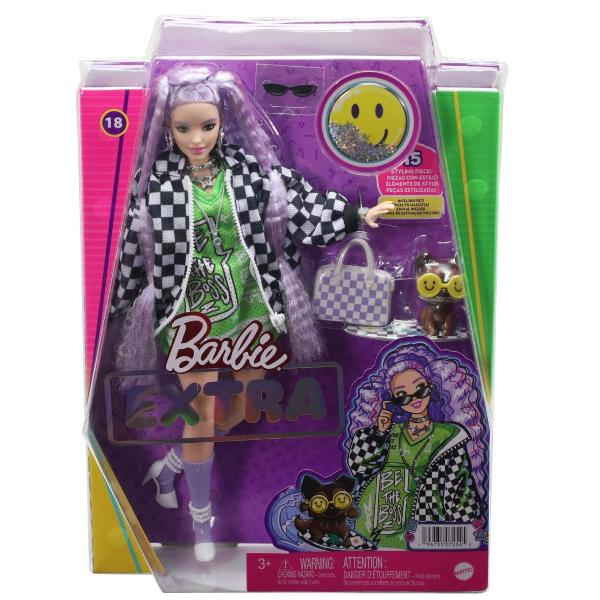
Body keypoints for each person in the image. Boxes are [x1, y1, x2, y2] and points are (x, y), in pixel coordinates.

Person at [110, 65, 393, 561]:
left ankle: (170, 468)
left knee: (243, 406)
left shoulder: (249, 171)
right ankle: (201, 520)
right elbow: (134, 251)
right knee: (200, 412)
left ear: (223, 121)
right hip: (190, 311)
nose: (196, 138)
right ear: (167, 127)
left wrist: (355, 214)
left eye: (207, 125)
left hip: (250, 304)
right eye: (183, 128)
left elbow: (300, 206)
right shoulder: (153, 186)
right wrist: (110, 303)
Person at [346, 342, 487, 549]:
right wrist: (379, 433)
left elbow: (459, 491)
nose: (413, 399)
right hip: (370, 524)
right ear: (391, 401)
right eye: (402, 395)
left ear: (432, 386)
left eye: (420, 389)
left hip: (420, 529)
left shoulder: (449, 436)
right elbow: (359, 468)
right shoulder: (387, 432)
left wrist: (468, 534)